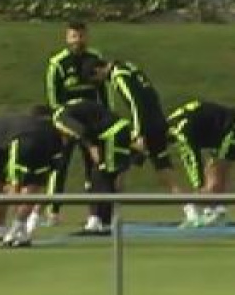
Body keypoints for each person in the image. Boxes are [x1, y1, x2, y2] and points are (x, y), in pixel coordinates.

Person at [80, 58, 193, 222]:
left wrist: (139, 133)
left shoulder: (119, 76)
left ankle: (110, 217)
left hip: (146, 129)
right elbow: (151, 94)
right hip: (157, 123)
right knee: (163, 170)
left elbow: (135, 103)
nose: (100, 82)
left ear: (97, 71)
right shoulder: (129, 67)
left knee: (117, 169)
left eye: (96, 79)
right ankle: (190, 209)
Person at [37, 21, 112, 227]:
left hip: (93, 120)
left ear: (87, 37)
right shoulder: (58, 63)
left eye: (81, 36)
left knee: (94, 166)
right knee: (60, 165)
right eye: (73, 36)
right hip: (68, 120)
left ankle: (94, 214)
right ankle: (53, 211)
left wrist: (107, 116)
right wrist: (59, 120)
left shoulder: (95, 58)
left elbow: (104, 91)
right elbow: (53, 98)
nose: (78, 40)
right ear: (67, 38)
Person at [0, 107, 64, 248]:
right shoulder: (5, 120)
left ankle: (4, 230)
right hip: (49, 136)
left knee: (14, 188)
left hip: (22, 141)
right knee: (32, 188)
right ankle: (19, 229)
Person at [52, 99, 145, 234]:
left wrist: (91, 147)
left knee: (101, 177)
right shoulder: (73, 107)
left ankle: (100, 222)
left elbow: (80, 130)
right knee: (102, 176)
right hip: (119, 130)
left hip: (111, 134)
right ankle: (101, 221)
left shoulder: (58, 118)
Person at [167, 100, 235, 227]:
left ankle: (216, 212)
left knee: (215, 173)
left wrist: (199, 186)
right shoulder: (172, 123)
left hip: (234, 126)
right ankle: (214, 210)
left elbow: (192, 158)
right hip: (223, 130)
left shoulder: (179, 131)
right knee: (211, 171)